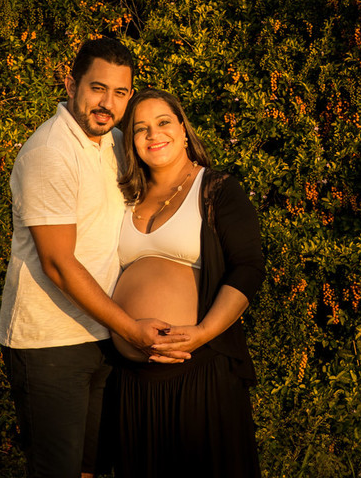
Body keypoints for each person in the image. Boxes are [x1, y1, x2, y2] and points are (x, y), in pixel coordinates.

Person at [0, 38, 189, 478]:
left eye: (121, 93)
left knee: (92, 468)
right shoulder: (51, 153)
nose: (108, 103)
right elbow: (58, 264)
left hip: (101, 338)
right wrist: (130, 328)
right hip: (50, 344)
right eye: (97, 88)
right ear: (71, 84)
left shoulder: (116, 143)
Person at [111, 87, 265, 478]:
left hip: (200, 373)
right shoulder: (123, 197)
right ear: (130, 141)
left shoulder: (216, 189)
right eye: (140, 128)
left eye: (163, 122)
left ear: (182, 128)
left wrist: (201, 333)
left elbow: (248, 268)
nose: (153, 134)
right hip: (134, 385)